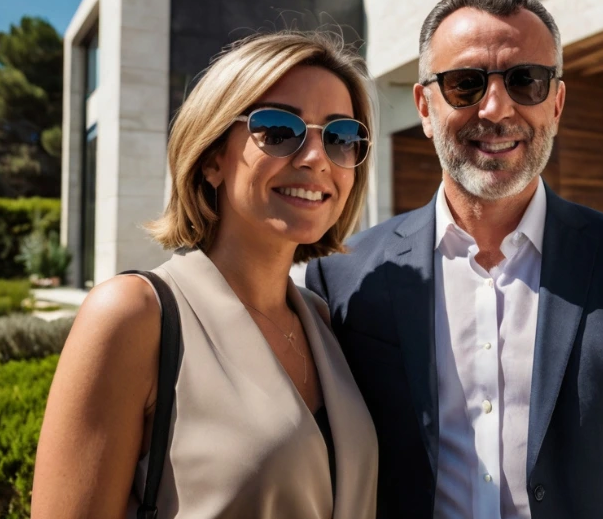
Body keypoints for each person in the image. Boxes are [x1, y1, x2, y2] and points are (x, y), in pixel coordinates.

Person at [305, 0, 603, 519]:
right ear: (424, 106)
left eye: (526, 81)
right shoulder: (344, 274)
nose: (496, 108)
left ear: (556, 102)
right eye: (464, 84)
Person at [32, 31, 378, 518]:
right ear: (213, 157)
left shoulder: (322, 320)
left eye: (341, 137)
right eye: (279, 130)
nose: (317, 158)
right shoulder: (133, 315)